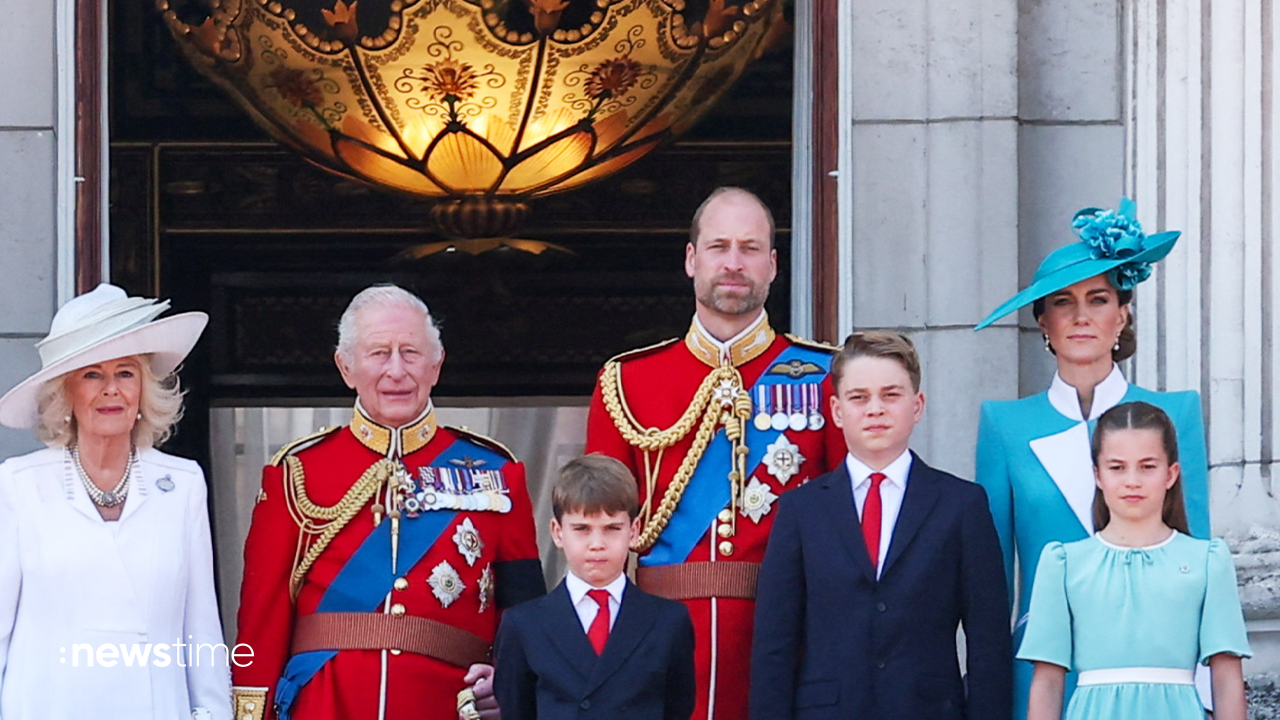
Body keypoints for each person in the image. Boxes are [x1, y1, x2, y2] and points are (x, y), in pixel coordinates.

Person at [585, 186, 846, 720]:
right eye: (718, 246)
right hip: (657, 646)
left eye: (750, 249)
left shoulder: (827, 376)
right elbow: (597, 533)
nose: (733, 263)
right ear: (690, 259)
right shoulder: (629, 381)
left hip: (788, 640)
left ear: (773, 266)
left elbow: (850, 526)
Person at [230, 284, 544, 720]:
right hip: (326, 705)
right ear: (346, 367)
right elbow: (261, 622)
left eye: (411, 352)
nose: (397, 370)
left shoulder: (496, 472)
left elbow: (525, 616)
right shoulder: (296, 472)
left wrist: (509, 686)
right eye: (379, 353)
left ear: (436, 365)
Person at [973, 198, 1211, 717]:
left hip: (1156, 670)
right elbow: (991, 579)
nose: (1081, 316)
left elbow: (1199, 557)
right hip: (1041, 671)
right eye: (1062, 301)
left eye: (1098, 299)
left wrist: (1207, 686)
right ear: (1042, 320)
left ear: (1122, 314)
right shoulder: (1003, 426)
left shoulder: (1177, 413)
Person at [750, 330, 1011, 720]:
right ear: (837, 411)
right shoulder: (800, 511)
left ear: (917, 405)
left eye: (891, 395)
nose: (875, 409)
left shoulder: (962, 505)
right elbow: (775, 643)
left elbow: (988, 641)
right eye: (859, 397)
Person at [0, 283, 230, 719]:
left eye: (125, 373)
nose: (111, 389)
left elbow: (201, 631)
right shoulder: (18, 485)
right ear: (65, 393)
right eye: (92, 374)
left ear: (143, 390)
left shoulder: (181, 485)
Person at [1019, 401, 1249, 720]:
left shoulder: (1206, 561)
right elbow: (1047, 682)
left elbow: (1226, 679)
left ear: (1171, 474)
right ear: (1097, 475)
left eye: (1147, 466)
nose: (1132, 481)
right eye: (1117, 467)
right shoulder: (1065, 564)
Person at [493, 454, 696, 720]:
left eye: (612, 528)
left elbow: (677, 707)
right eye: (582, 528)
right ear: (557, 532)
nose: (597, 543)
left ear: (633, 531)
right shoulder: (523, 624)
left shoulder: (668, 621)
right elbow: (517, 709)